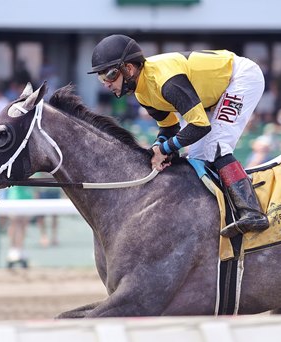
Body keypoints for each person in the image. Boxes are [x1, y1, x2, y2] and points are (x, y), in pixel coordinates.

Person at [89, 34, 269, 238]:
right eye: (101, 78)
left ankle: (252, 211)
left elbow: (200, 126)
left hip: (240, 78)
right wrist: (158, 147)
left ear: (128, 68)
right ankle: (218, 214)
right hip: (214, 94)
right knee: (198, 158)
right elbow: (170, 128)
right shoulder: (141, 92)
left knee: (216, 146)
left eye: (110, 75)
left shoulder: (166, 82)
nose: (106, 84)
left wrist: (165, 149)